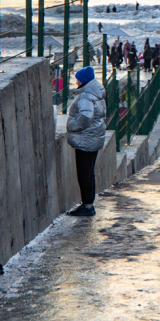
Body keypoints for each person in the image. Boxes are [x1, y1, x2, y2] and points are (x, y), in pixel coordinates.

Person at [66, 66, 106, 217]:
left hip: (86, 140)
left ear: (83, 80)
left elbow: (85, 118)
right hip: (93, 139)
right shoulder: (96, 94)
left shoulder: (85, 96)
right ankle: (88, 204)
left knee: (84, 174)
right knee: (88, 173)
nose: (75, 81)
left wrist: (71, 126)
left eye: (77, 78)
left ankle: (87, 206)